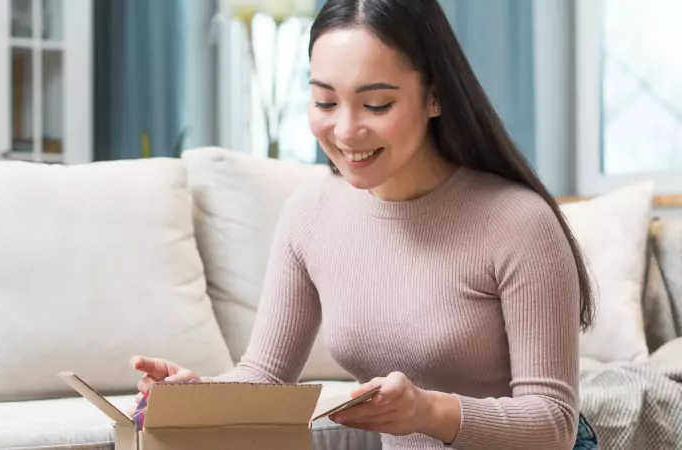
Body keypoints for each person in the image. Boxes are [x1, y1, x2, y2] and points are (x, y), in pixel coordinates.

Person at [130, 0, 600, 448]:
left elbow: (553, 425)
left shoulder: (519, 222)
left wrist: (428, 412)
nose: (347, 131)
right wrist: (197, 395)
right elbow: (265, 378)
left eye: (376, 105)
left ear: (435, 96)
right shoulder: (309, 214)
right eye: (325, 102)